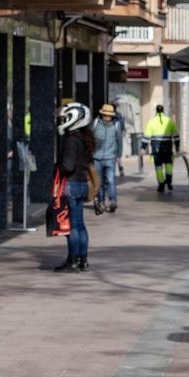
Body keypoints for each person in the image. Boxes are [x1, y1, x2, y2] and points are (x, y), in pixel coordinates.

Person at [54, 103, 96, 272]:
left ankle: (72, 259)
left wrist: (57, 168)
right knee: (80, 224)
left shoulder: (71, 140)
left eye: (65, 118)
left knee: (71, 226)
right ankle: (83, 260)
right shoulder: (85, 139)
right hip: (82, 184)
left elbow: (68, 165)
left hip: (70, 184)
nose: (62, 121)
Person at [92, 103, 122, 213]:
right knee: (99, 182)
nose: (107, 117)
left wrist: (118, 155)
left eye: (109, 115)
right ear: (102, 114)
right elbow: (90, 139)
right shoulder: (95, 123)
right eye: (105, 115)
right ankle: (101, 201)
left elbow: (119, 141)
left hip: (110, 157)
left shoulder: (116, 125)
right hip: (97, 158)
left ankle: (113, 201)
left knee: (110, 180)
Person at [146, 104, 179, 193]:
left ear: (156, 111)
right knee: (168, 164)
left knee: (158, 166)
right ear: (163, 110)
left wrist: (143, 146)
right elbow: (176, 135)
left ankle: (161, 183)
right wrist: (177, 146)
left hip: (156, 148)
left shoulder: (151, 122)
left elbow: (146, 136)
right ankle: (168, 180)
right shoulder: (169, 121)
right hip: (168, 147)